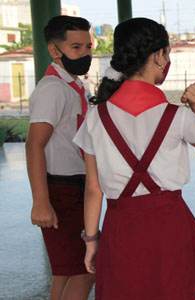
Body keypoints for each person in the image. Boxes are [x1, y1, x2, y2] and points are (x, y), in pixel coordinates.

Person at [72, 18, 195, 299]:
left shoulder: (96, 118)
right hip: (170, 226)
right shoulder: (177, 116)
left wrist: (91, 240)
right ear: (159, 56)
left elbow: (93, 189)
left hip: (121, 227)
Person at [25, 15, 95, 300]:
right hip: (61, 190)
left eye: (88, 47)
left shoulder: (75, 85)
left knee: (65, 271)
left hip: (75, 186)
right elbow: (34, 145)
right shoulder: (52, 89)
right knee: (87, 268)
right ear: (55, 51)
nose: (85, 54)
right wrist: (41, 203)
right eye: (76, 47)